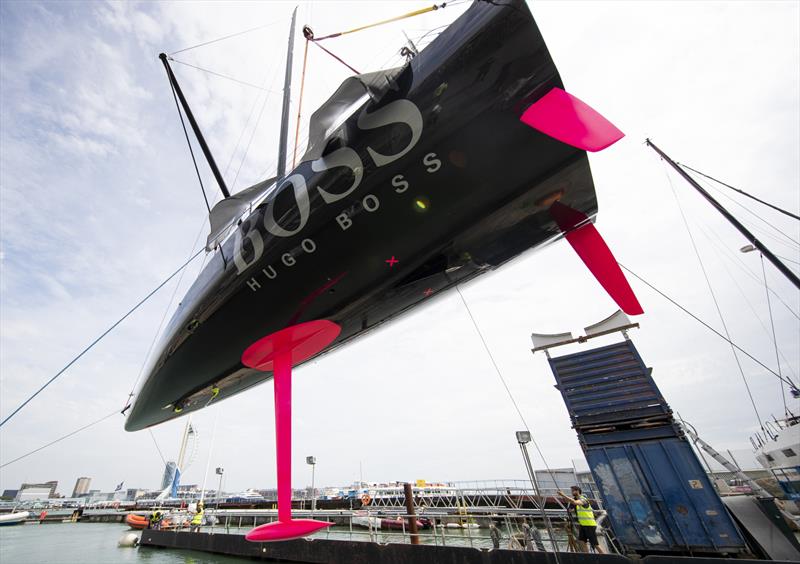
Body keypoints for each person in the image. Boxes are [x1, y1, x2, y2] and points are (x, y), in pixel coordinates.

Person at [557, 486, 604, 554]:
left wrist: (563, 495)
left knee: (595, 544)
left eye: (573, 491)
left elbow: (575, 502)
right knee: (582, 541)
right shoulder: (577, 502)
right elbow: (576, 507)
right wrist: (571, 510)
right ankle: (587, 557)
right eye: (572, 491)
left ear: (577, 491)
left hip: (589, 525)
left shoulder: (583, 500)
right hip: (583, 525)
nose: (572, 492)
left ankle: (604, 557)